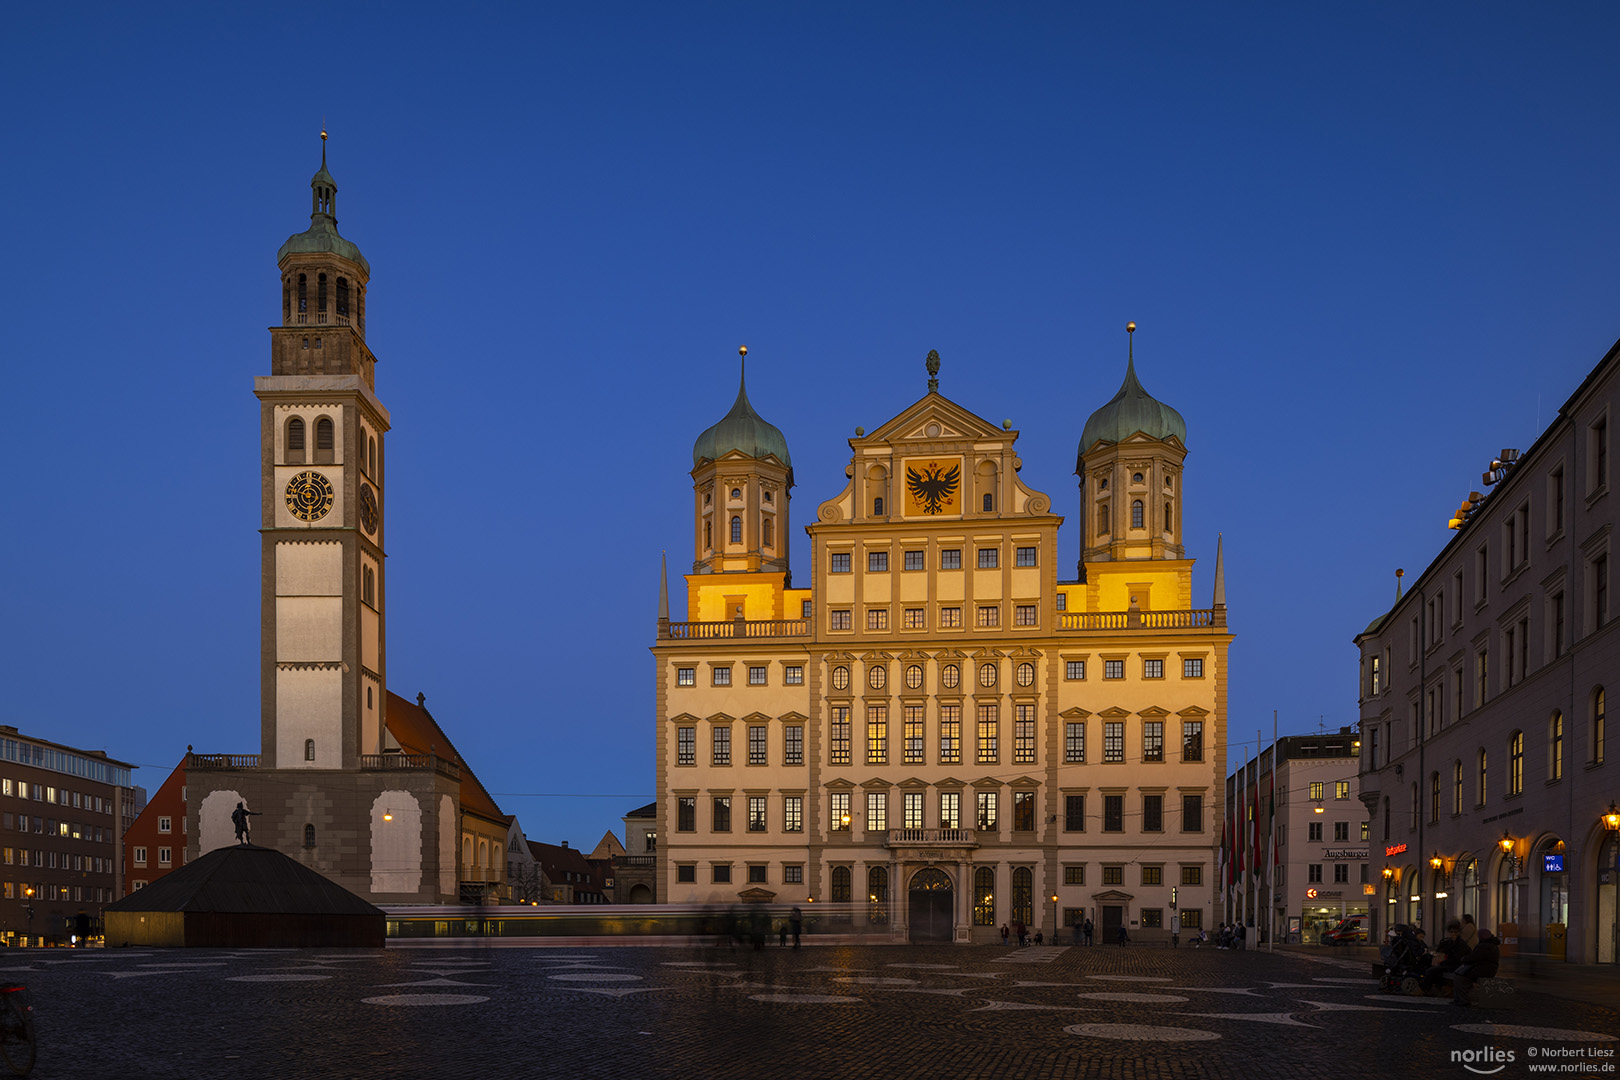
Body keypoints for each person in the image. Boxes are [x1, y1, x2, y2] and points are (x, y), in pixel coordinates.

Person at [1452, 928, 1501, 1007]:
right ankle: (1460, 999)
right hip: (1486, 969)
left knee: (1460, 977)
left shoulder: (1485, 946)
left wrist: (1463, 959)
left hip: (1483, 970)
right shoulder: (1491, 944)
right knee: (1460, 976)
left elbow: (1474, 957)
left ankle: (1462, 1000)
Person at [1419, 920, 1468, 996]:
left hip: (1455, 965)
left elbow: (1456, 958)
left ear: (1458, 933)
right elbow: (1443, 951)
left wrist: (1442, 962)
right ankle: (1436, 988)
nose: (1453, 934)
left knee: (1431, 970)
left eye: (1455, 932)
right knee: (1432, 968)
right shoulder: (1450, 942)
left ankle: (1424, 989)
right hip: (1451, 964)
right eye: (1451, 932)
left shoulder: (1461, 944)